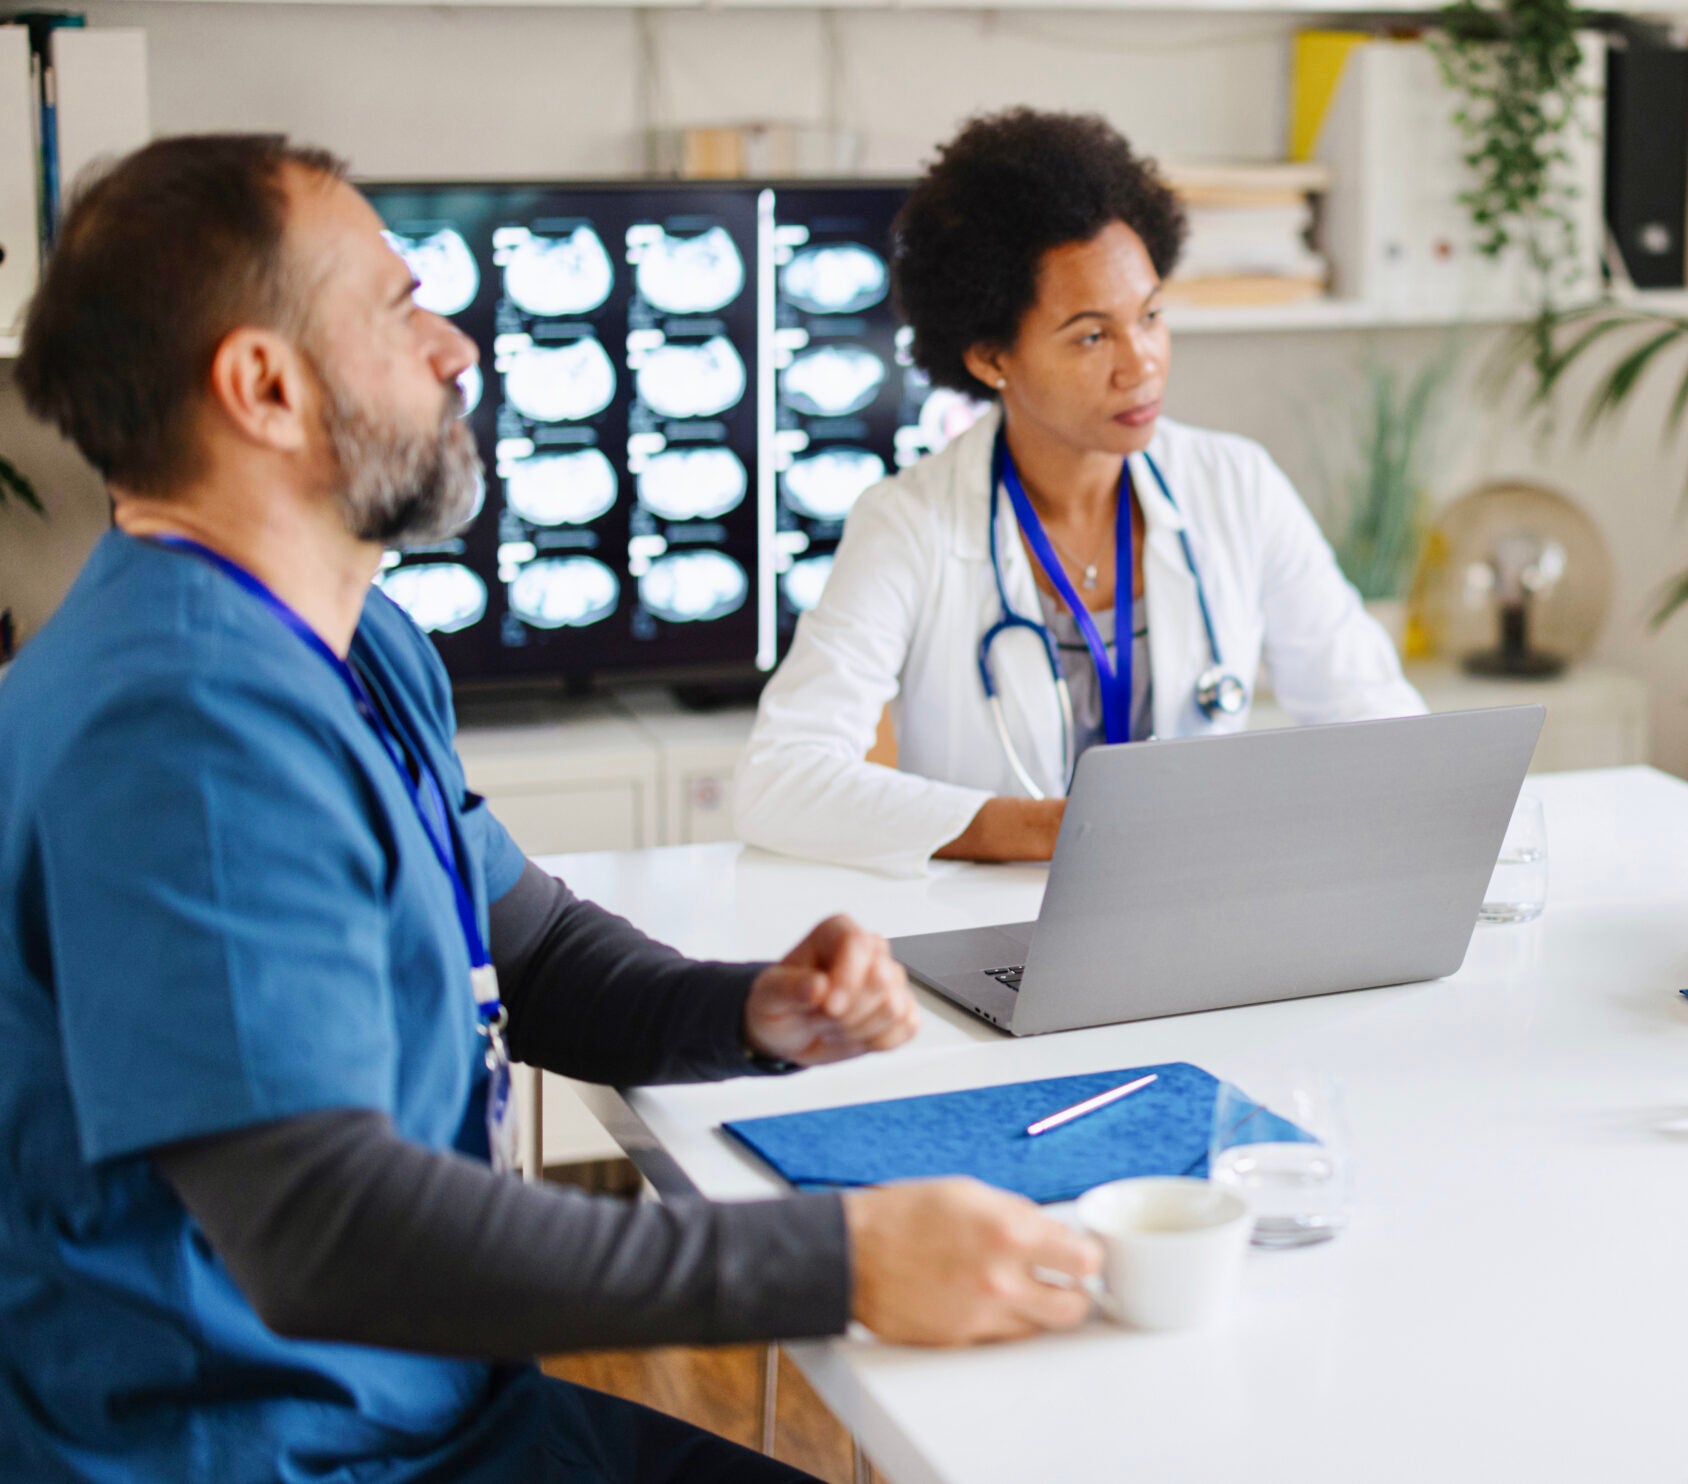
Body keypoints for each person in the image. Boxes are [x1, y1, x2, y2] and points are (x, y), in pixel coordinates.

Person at [0, 135, 1103, 1484]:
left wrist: (745, 1009)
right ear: (265, 387)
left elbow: (522, 948)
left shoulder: (353, 645)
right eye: (400, 309)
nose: (457, 346)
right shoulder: (182, 730)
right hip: (267, 1454)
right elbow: (325, 1232)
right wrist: (842, 1259)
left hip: (433, 1410)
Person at [738, 109, 1424, 874]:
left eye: (1152, 316)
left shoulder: (1236, 485)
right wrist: (1043, 831)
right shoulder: (912, 524)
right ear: (993, 355)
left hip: (1196, 911)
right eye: (1092, 336)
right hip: (989, 933)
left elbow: (1381, 724)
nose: (1142, 364)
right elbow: (780, 779)